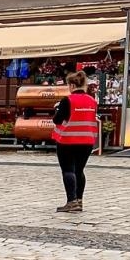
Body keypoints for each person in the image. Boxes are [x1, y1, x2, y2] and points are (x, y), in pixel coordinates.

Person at [52, 70, 97, 213]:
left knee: (68, 170)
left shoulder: (68, 100)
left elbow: (57, 119)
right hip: (87, 140)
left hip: (68, 140)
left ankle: (71, 201)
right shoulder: (92, 101)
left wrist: (57, 109)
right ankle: (79, 200)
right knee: (79, 170)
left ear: (72, 85)